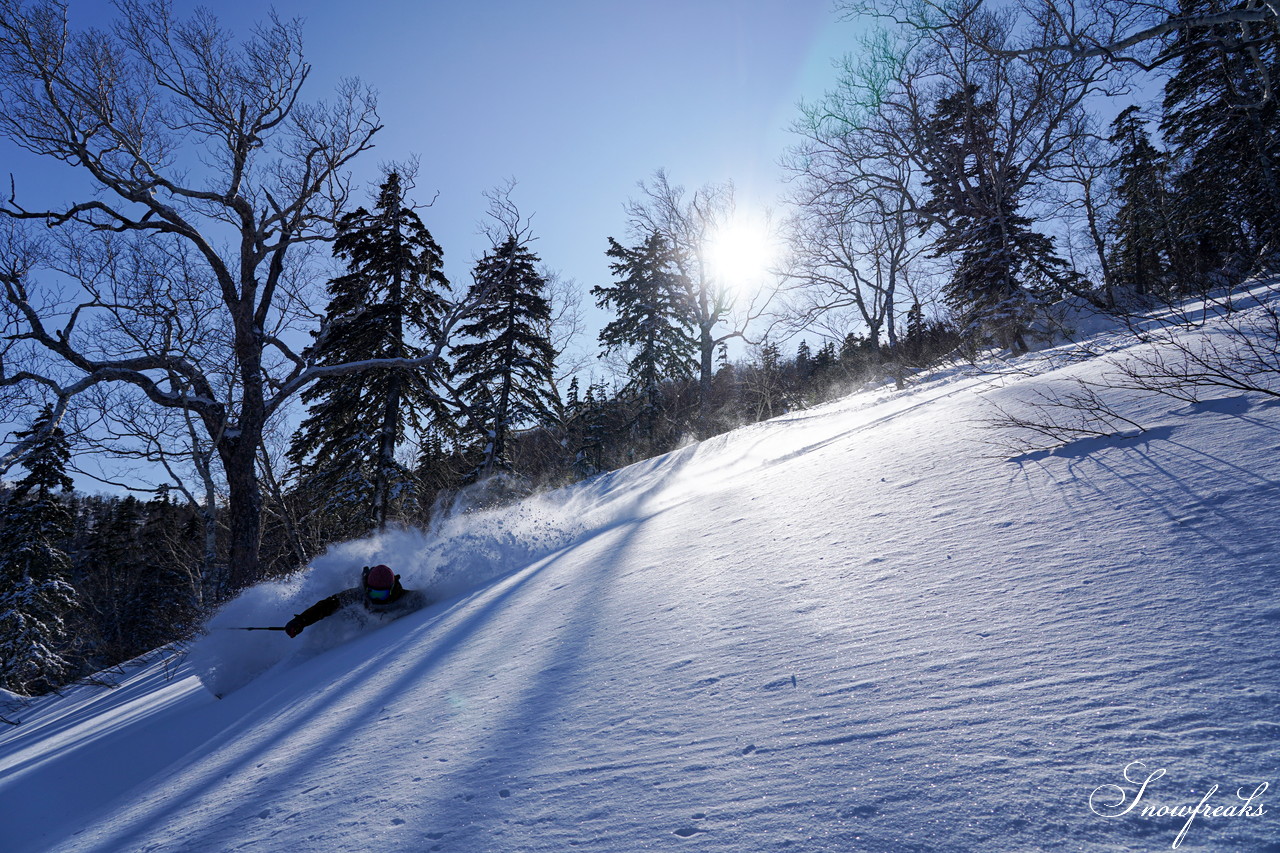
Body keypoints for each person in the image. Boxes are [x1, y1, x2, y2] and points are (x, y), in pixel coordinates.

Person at [284, 564, 429, 638]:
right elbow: (327, 605)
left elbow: (429, 600)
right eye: (373, 592)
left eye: (381, 594)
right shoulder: (359, 595)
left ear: (391, 589)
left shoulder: (405, 598)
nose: (375, 598)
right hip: (362, 629)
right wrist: (301, 621)